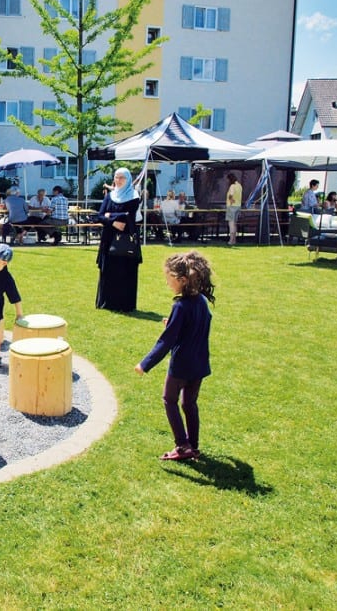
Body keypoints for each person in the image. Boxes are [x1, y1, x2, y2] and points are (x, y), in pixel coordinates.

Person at [134, 250, 215, 461]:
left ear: (182, 280)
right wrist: (172, 324)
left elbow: (166, 341)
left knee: (169, 400)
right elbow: (196, 326)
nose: (167, 283)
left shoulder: (179, 306)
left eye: (169, 279)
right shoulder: (201, 302)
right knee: (189, 404)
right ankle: (193, 447)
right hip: (199, 363)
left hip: (181, 365)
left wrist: (145, 363)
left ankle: (182, 445)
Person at [96, 167, 141, 312]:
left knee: (124, 271)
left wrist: (110, 215)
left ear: (128, 179)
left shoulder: (134, 196)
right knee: (108, 270)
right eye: (116, 177)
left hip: (125, 240)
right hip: (108, 239)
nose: (119, 180)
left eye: (122, 177)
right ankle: (107, 303)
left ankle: (123, 304)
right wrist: (113, 221)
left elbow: (129, 216)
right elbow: (100, 216)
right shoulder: (109, 196)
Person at [225, 172, 242, 246]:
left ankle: (231, 240)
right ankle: (234, 240)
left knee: (231, 224)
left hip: (231, 206)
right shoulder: (239, 186)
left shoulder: (232, 186)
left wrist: (231, 200)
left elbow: (230, 195)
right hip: (238, 206)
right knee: (235, 224)